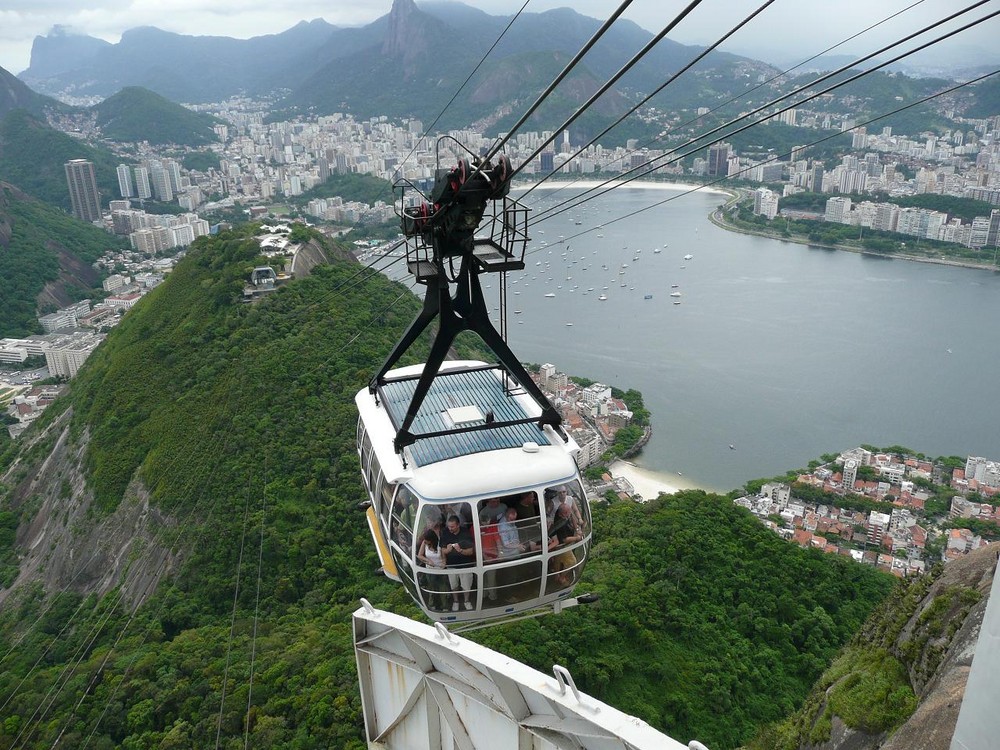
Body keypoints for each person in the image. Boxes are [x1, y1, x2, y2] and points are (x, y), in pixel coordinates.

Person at [439, 514, 476, 611]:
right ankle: (455, 601)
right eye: (449, 526)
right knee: (453, 585)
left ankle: (466, 601)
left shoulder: (465, 533)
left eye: (452, 526)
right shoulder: (445, 533)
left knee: (466, 585)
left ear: (458, 525)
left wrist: (460, 551)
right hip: (452, 565)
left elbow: (471, 551)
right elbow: (442, 550)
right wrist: (447, 550)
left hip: (465, 565)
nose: (450, 528)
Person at [547, 504, 582, 588]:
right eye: (568, 512)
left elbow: (572, 518)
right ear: (564, 513)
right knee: (572, 562)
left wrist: (576, 529)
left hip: (557, 545)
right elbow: (564, 539)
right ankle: (561, 578)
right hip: (562, 546)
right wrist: (576, 538)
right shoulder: (561, 523)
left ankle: (556, 575)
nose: (570, 513)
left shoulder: (562, 515)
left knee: (557, 560)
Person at [416, 529, 448, 610]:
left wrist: (443, 565)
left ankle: (444, 605)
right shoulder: (425, 543)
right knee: (431, 587)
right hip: (430, 570)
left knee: (442, 588)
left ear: (432, 539)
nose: (425, 542)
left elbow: (444, 558)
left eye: (427, 541)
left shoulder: (440, 545)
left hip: (440, 570)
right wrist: (428, 561)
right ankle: (432, 604)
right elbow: (419, 555)